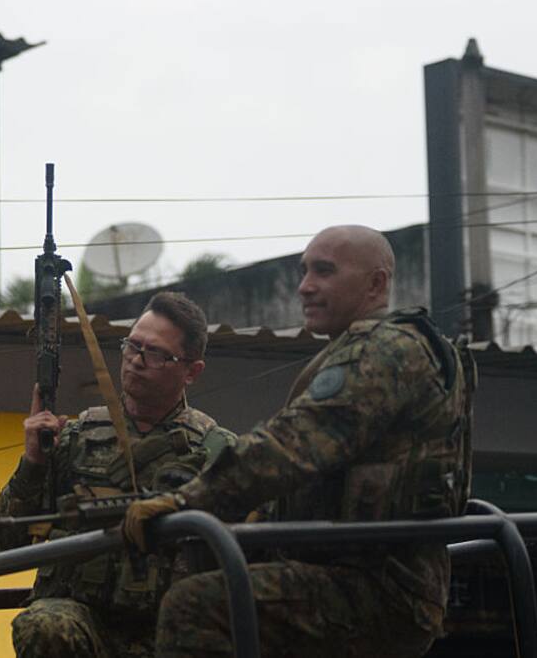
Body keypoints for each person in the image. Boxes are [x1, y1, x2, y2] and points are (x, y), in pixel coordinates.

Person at [123, 225, 474, 658]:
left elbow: (294, 444)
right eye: (304, 272)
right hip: (365, 576)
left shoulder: (385, 349)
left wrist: (187, 502)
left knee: (196, 606)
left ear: (376, 283)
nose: (305, 287)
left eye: (324, 272)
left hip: (377, 588)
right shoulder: (407, 345)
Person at [0, 291, 237, 658]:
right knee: (45, 625)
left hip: (171, 633)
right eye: (132, 345)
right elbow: (3, 542)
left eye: (155, 353)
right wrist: (34, 462)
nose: (136, 361)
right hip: (86, 625)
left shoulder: (218, 454)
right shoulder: (75, 437)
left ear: (192, 371)